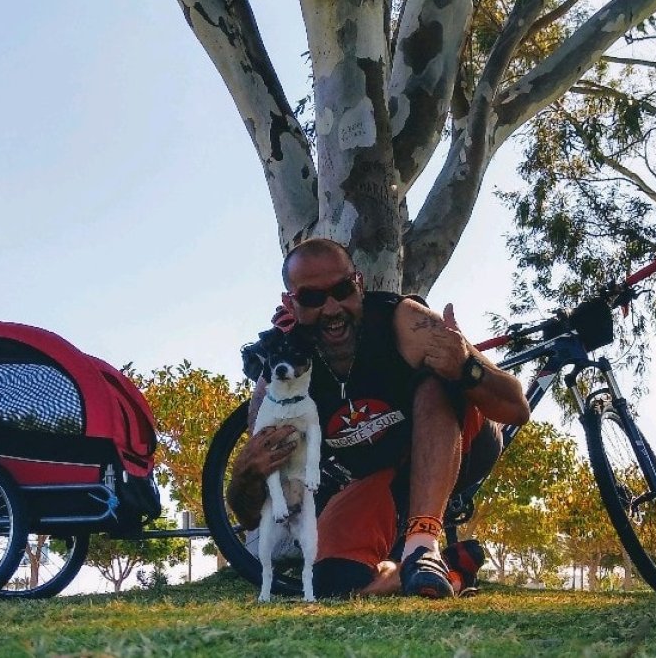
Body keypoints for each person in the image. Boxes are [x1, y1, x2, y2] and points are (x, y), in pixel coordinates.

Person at [227, 238, 530, 599]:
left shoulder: (404, 321)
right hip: (377, 477)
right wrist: (244, 476)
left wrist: (467, 368)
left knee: (436, 381)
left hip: (458, 442)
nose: (332, 308)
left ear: (358, 283)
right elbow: (252, 516)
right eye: (312, 298)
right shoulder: (277, 385)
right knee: (332, 583)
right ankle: (449, 571)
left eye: (342, 290)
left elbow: (516, 408)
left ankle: (422, 545)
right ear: (290, 303)